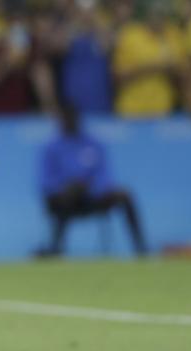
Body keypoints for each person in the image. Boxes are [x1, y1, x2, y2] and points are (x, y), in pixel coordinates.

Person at [39, 106, 147, 257]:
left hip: (91, 196)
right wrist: (66, 187)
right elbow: (47, 182)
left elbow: (104, 176)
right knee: (71, 192)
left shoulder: (93, 144)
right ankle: (56, 248)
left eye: (71, 119)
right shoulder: (52, 147)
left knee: (125, 195)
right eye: (64, 120)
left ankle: (141, 248)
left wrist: (93, 189)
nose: (68, 123)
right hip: (64, 198)